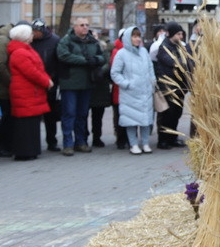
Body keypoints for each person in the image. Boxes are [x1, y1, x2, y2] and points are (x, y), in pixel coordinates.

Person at [56, 17, 106, 155]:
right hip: (70, 83)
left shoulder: (92, 41)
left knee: (82, 114)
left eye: (87, 25)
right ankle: (67, 144)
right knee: (69, 113)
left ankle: (81, 142)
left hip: (87, 83)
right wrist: (85, 61)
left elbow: (102, 57)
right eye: (82, 25)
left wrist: (95, 60)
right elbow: (64, 56)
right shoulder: (66, 41)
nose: (85, 27)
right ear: (75, 27)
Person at [7, 24, 51, 161]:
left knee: (31, 123)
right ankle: (24, 151)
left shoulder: (25, 49)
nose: (32, 35)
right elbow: (31, 72)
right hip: (25, 91)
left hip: (30, 91)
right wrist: (46, 81)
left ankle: (31, 150)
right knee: (25, 124)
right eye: (30, 34)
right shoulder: (20, 52)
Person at [110, 25, 156, 154]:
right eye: (134, 36)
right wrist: (126, 84)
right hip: (130, 92)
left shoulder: (143, 52)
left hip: (145, 91)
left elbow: (150, 68)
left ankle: (145, 143)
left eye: (138, 36)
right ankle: (133, 144)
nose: (137, 39)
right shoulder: (121, 54)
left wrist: (152, 81)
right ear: (128, 38)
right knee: (131, 120)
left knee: (146, 120)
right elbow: (115, 73)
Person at [154, 21, 193, 149]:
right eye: (178, 34)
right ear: (170, 34)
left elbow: (187, 61)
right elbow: (175, 62)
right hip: (168, 87)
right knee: (167, 114)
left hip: (179, 87)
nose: (181, 37)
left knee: (177, 113)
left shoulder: (178, 46)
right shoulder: (164, 47)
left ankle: (172, 137)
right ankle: (163, 140)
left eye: (181, 34)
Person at [30, 20, 62, 152]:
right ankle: (35, 141)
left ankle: (52, 141)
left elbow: (58, 60)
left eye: (36, 31)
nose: (34, 34)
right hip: (35, 83)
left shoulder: (54, 40)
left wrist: (55, 78)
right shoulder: (30, 41)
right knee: (36, 114)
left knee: (51, 114)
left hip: (51, 82)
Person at [0, 23, 15, 158]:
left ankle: (3, 146)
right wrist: (10, 82)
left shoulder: (5, 39)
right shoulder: (3, 41)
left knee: (5, 118)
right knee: (2, 119)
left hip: (4, 88)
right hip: (2, 89)